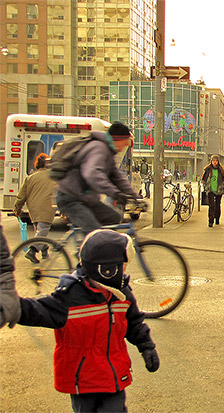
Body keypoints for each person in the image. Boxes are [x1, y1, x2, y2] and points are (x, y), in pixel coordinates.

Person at [0, 228, 159, 412]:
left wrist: (147, 347)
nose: (125, 271)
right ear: (107, 270)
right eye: (123, 265)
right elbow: (38, 311)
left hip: (114, 377)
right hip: (83, 382)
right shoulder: (69, 298)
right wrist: (14, 307)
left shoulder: (122, 295)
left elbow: (134, 323)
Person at [56, 122, 140, 234]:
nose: (123, 147)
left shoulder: (108, 153)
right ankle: (87, 250)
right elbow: (92, 174)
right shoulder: (99, 148)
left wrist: (134, 198)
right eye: (124, 143)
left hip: (87, 199)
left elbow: (118, 178)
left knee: (113, 217)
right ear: (117, 139)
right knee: (95, 235)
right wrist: (114, 193)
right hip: (71, 198)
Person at [13, 153, 56, 263]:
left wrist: (17, 209)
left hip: (33, 208)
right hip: (47, 207)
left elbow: (21, 196)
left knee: (40, 230)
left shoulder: (30, 178)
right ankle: (32, 250)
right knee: (43, 229)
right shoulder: (53, 177)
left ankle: (44, 250)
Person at [201, 154, 224, 227]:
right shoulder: (207, 169)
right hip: (210, 190)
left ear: (218, 161)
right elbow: (203, 179)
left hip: (219, 190)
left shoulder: (221, 169)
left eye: (216, 161)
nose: (215, 162)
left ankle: (217, 219)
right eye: (213, 161)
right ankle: (210, 221)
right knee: (211, 205)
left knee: (217, 205)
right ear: (211, 161)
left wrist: (223, 185)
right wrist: (205, 187)